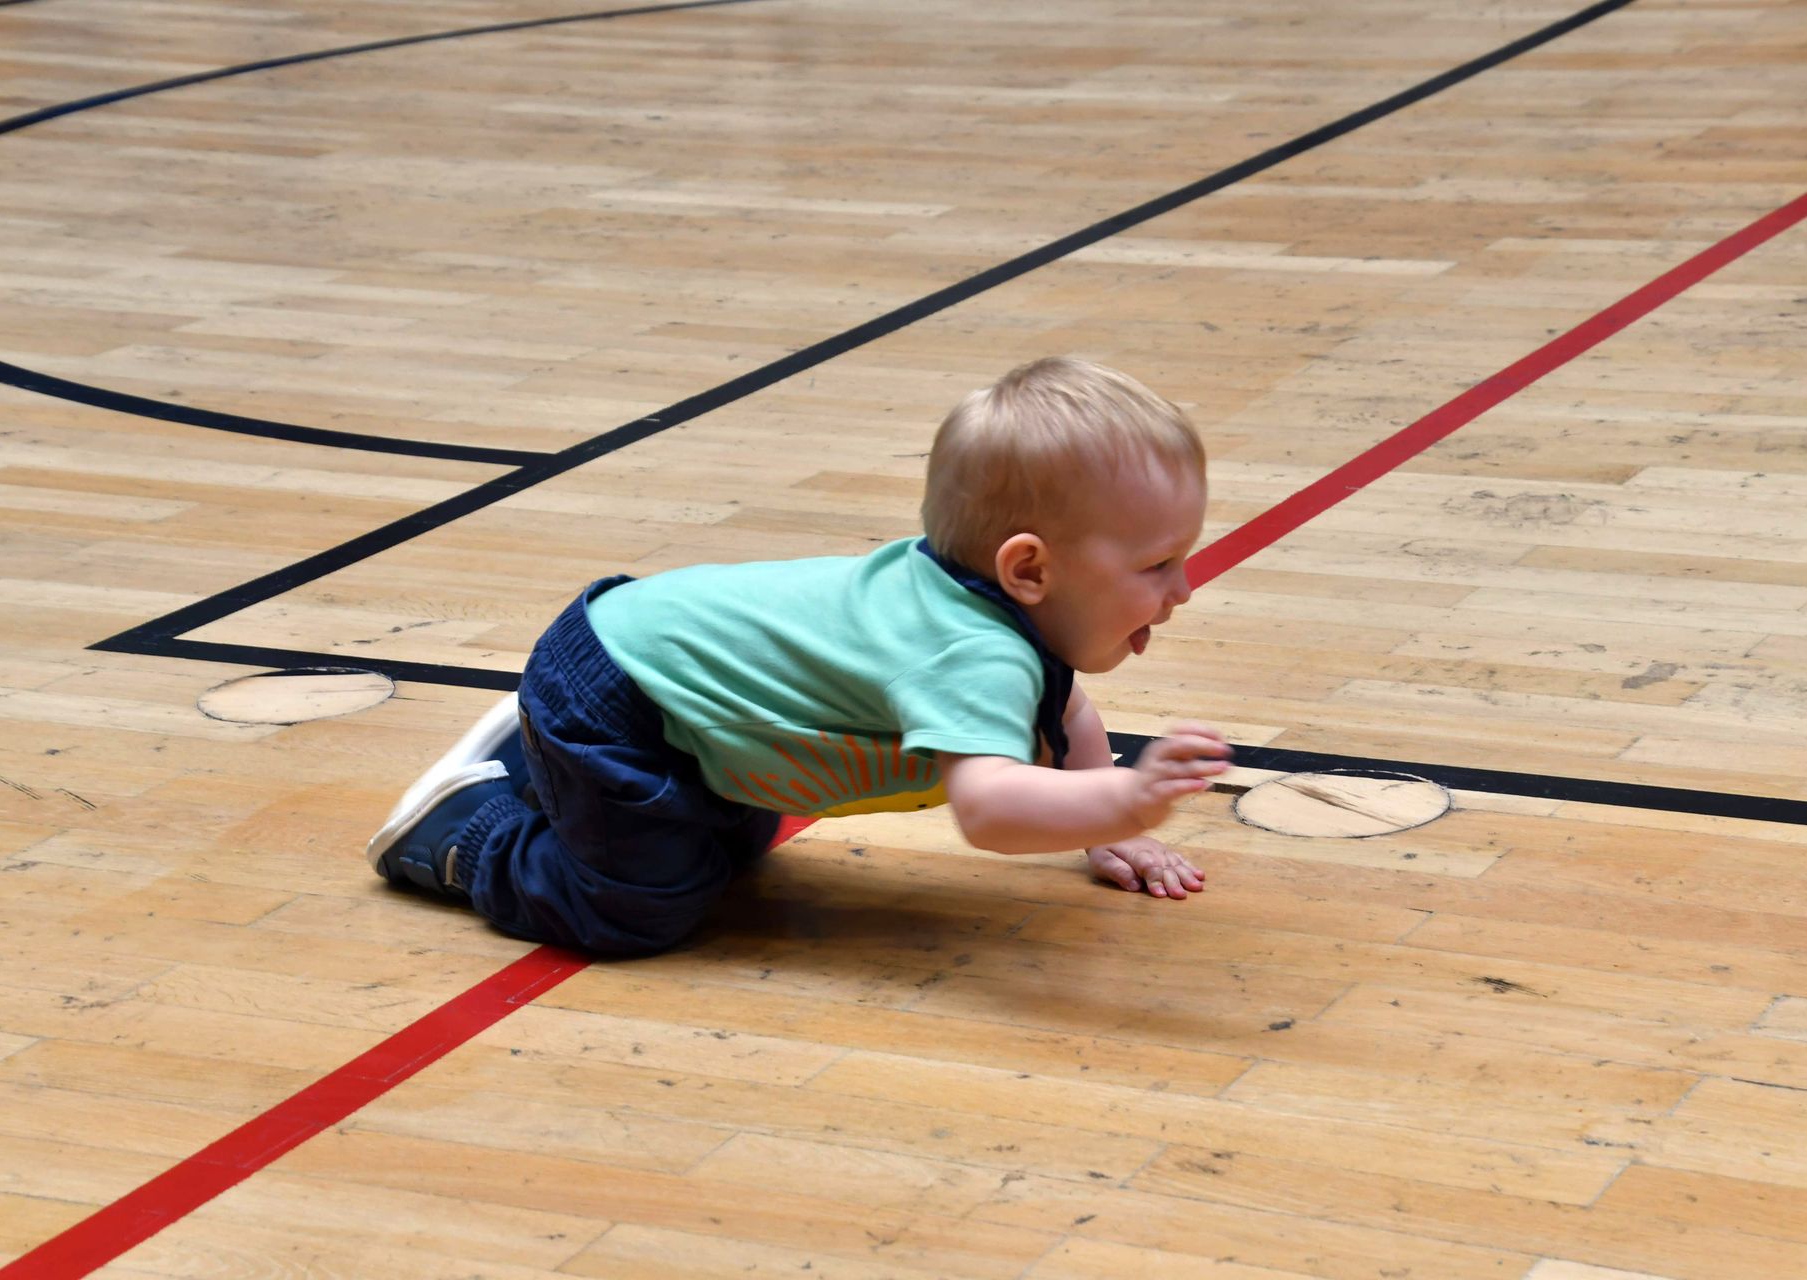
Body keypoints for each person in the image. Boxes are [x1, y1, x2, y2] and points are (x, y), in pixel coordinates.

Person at [367, 356, 1232, 954]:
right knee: (634, 910)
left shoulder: (993, 615)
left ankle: (549, 765)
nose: (1185, 588)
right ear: (1029, 570)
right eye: (1158, 563)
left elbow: (1065, 710)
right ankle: (466, 829)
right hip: (620, 699)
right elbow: (990, 810)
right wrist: (1124, 799)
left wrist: (1103, 830)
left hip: (659, 679)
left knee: (728, 857)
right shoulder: (967, 652)